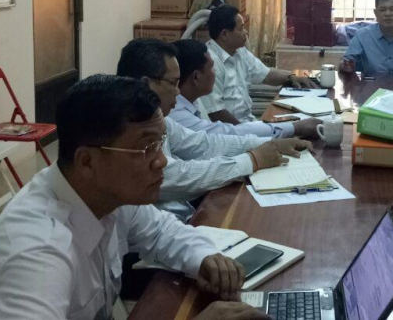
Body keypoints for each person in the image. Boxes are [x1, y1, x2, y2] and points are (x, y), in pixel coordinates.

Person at [0, 75, 269, 320]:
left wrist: (203, 258)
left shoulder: (108, 195)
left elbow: (162, 231)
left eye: (160, 143)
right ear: (87, 161)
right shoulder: (36, 255)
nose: (161, 161)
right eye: (145, 147)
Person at [118, 39, 311, 219]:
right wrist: (252, 160)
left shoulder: (162, 120)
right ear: (146, 84)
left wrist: (270, 144)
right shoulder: (125, 129)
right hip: (170, 223)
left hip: (181, 219)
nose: (177, 91)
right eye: (173, 83)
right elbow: (176, 176)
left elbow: (204, 143)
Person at [171, 39, 320, 139]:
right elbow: (224, 135)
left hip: (243, 128)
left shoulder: (193, 100)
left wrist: (285, 128)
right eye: (211, 68)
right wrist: (292, 128)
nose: (215, 72)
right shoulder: (178, 115)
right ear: (196, 77)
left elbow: (266, 73)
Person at [200, 4, 316, 125]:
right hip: (229, 129)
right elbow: (215, 113)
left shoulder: (240, 51)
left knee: (299, 124)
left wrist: (291, 77)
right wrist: (247, 131)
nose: (246, 32)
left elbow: (267, 75)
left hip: (248, 122)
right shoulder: (210, 63)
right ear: (225, 34)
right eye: (241, 28)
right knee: (295, 129)